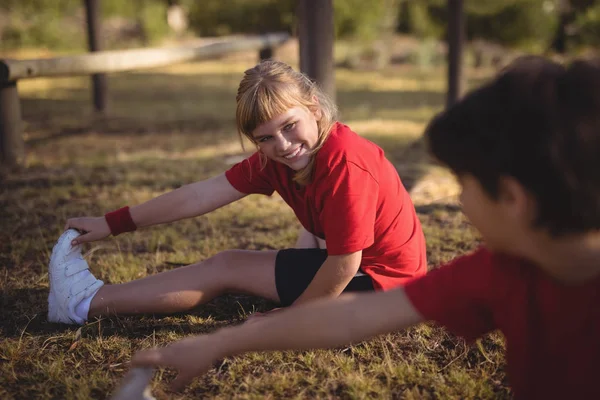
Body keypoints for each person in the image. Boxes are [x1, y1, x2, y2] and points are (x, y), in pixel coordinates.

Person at [130, 56, 600, 400]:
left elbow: (349, 278)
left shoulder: (349, 164)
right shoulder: (499, 272)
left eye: (464, 184)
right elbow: (351, 318)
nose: (458, 200)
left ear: (513, 199)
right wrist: (218, 344)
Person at [48, 60, 427, 326]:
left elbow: (344, 263)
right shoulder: (274, 160)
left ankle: (83, 303)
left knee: (226, 266)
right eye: (265, 138)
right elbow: (199, 195)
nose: (283, 145)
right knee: (293, 241)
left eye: (290, 126)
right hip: (358, 268)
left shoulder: (345, 162)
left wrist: (295, 318)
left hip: (388, 290)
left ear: (314, 109)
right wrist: (112, 223)